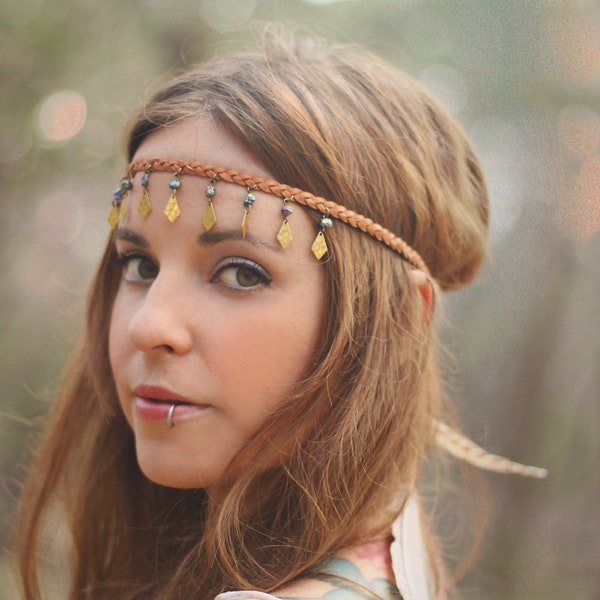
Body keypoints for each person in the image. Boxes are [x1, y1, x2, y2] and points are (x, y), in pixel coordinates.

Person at [14, 28, 545, 600]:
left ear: (398, 320)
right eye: (139, 264)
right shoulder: (388, 546)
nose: (148, 326)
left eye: (241, 273)